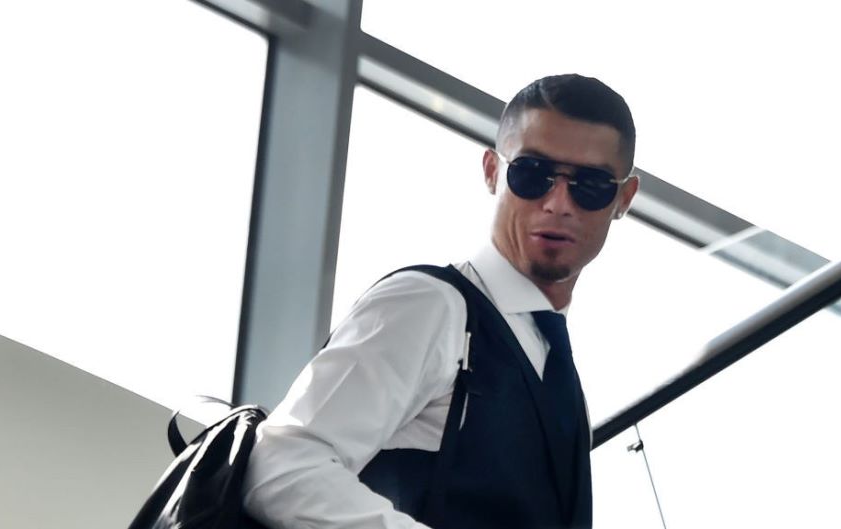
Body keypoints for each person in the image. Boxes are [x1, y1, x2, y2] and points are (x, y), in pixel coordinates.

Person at [242, 74, 639, 529]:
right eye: (532, 174)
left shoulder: (559, 377)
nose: (558, 203)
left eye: (590, 185)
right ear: (492, 171)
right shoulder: (430, 306)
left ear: (624, 198)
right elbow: (280, 462)